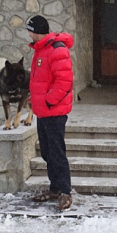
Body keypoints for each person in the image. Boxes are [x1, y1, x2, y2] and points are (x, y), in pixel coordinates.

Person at [27, 15, 75, 211]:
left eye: (29, 30)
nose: (28, 34)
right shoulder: (41, 50)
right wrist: (36, 99)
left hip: (53, 111)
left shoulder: (57, 49)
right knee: (47, 152)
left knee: (57, 153)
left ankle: (65, 191)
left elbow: (64, 81)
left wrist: (48, 100)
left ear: (36, 30)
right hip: (43, 112)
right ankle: (54, 188)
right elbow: (42, 80)